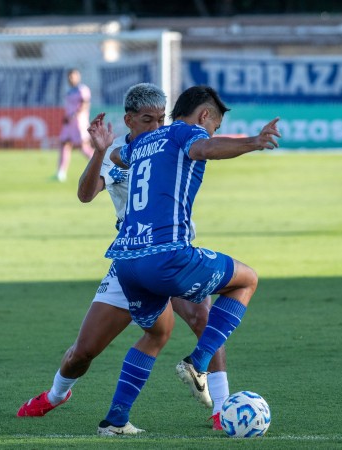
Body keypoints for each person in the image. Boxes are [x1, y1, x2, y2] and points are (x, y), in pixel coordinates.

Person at [17, 83, 231, 430]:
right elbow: (85, 195)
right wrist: (99, 152)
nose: (155, 126)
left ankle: (222, 409)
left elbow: (204, 149)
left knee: (203, 319)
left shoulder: (173, 139)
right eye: (147, 120)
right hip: (130, 258)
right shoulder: (119, 152)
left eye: (160, 119)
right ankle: (56, 395)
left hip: (172, 251)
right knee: (84, 351)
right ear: (129, 119)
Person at [89, 85, 280, 435]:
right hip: (167, 255)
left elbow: (118, 157)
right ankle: (199, 361)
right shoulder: (187, 133)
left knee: (155, 335)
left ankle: (115, 420)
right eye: (215, 125)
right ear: (204, 115)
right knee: (247, 279)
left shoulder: (143, 141)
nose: (213, 132)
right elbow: (204, 147)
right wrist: (253, 142)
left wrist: (105, 150)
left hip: (127, 262)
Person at [55, 69, 94, 182]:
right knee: (64, 144)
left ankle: (101, 166)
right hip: (69, 123)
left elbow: (85, 103)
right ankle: (61, 173)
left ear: (78, 77)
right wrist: (67, 117)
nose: (71, 79)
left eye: (73, 76)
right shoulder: (69, 91)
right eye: (69, 77)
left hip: (79, 123)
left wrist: (75, 115)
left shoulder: (82, 89)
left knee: (83, 147)